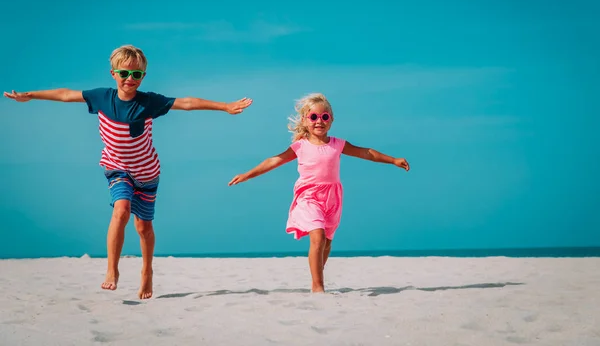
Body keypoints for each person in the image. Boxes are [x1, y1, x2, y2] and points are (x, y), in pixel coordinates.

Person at [3, 45, 253, 299]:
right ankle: (112, 269)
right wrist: (31, 94)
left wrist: (224, 106)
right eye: (124, 73)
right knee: (121, 210)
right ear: (113, 73)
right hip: (116, 167)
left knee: (143, 227)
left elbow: (187, 103)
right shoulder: (102, 97)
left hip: (147, 172)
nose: (129, 79)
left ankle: (147, 271)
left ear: (143, 76)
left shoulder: (149, 102)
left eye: (136, 74)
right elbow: (66, 95)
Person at [228, 93, 409, 293]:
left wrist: (393, 160)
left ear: (331, 120)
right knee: (318, 237)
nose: (319, 121)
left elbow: (366, 153)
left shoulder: (338, 144)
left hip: (333, 198)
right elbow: (274, 161)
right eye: (313, 117)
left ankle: (317, 273)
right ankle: (318, 286)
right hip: (309, 196)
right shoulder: (300, 146)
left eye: (324, 117)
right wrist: (247, 174)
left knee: (327, 242)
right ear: (305, 120)